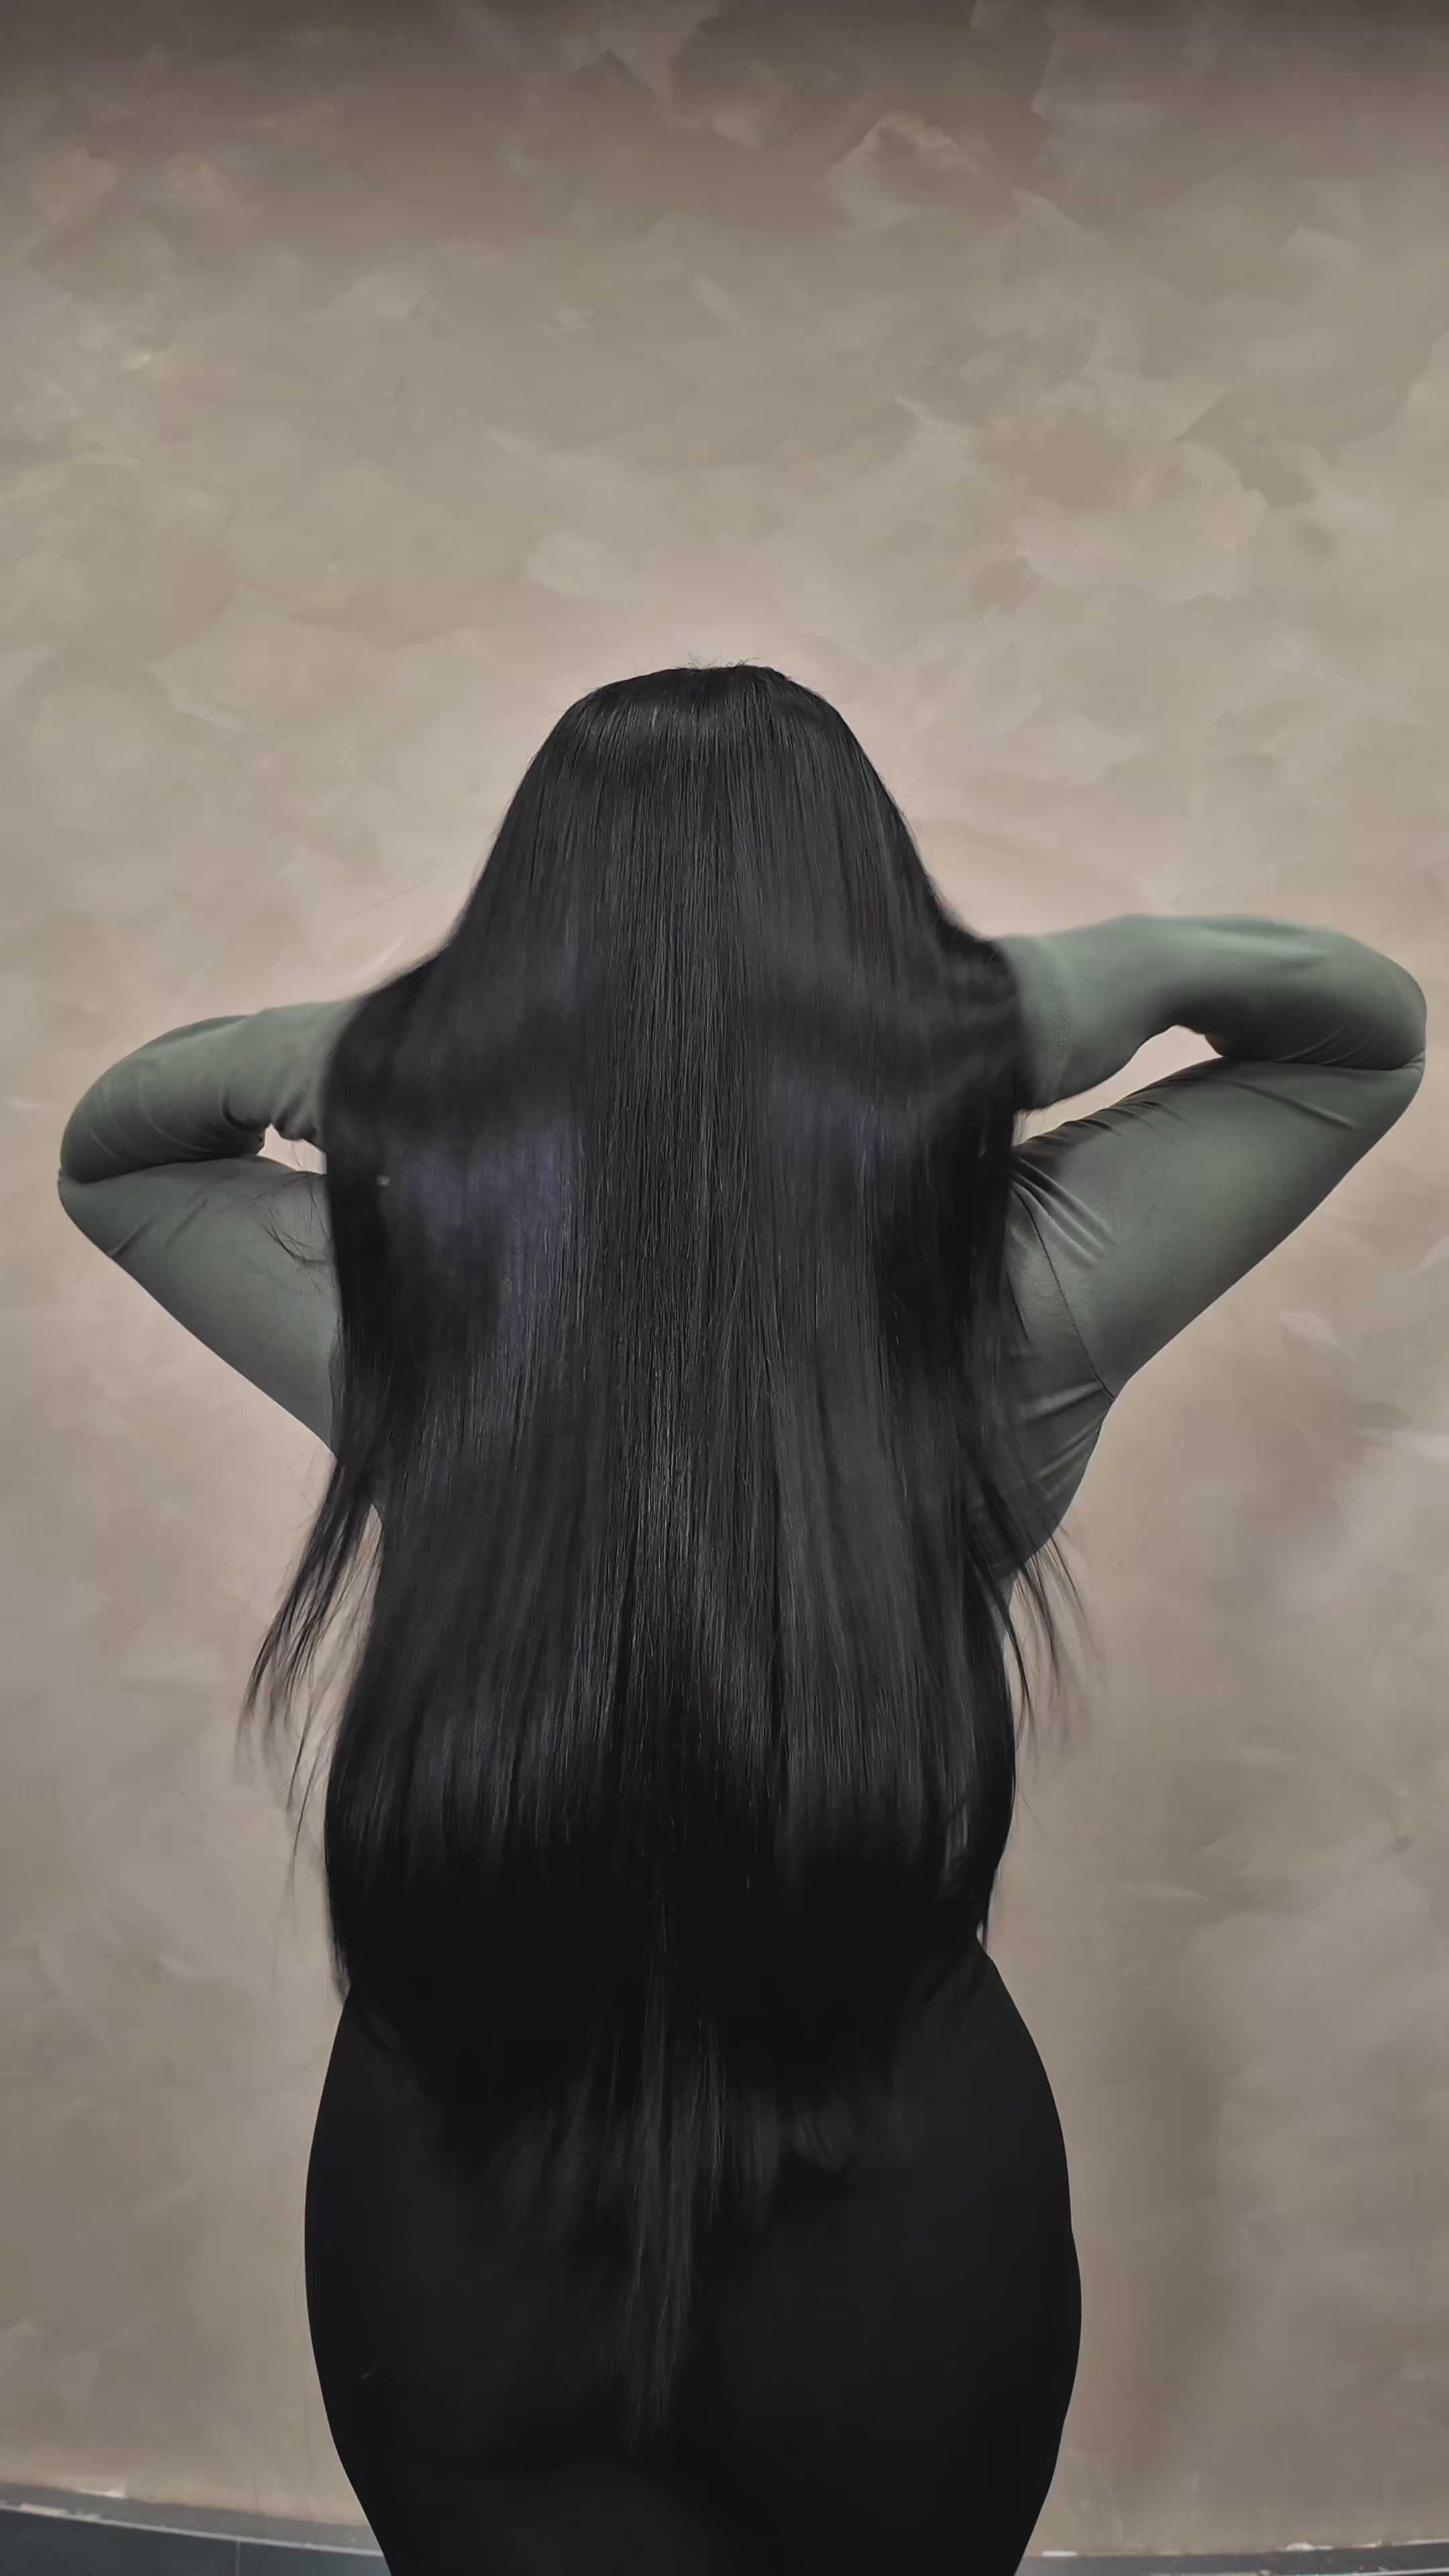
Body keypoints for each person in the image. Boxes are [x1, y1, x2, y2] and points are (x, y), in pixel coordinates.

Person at [56, 664, 1428, 2575]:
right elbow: (1356, 1035)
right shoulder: (1016, 1293)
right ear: (870, 948)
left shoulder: (419, 1304)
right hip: (899, 2204)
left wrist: (389, 1061)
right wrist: (1024, 1007)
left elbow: (117, 1153)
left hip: (451, 2204)